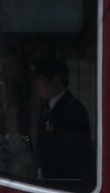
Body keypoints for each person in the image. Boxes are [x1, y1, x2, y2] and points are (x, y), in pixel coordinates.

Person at [35, 55, 92, 185]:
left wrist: (47, 173)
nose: (38, 85)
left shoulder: (73, 110)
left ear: (56, 79)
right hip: (48, 180)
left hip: (64, 184)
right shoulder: (48, 107)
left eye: (41, 79)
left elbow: (70, 152)